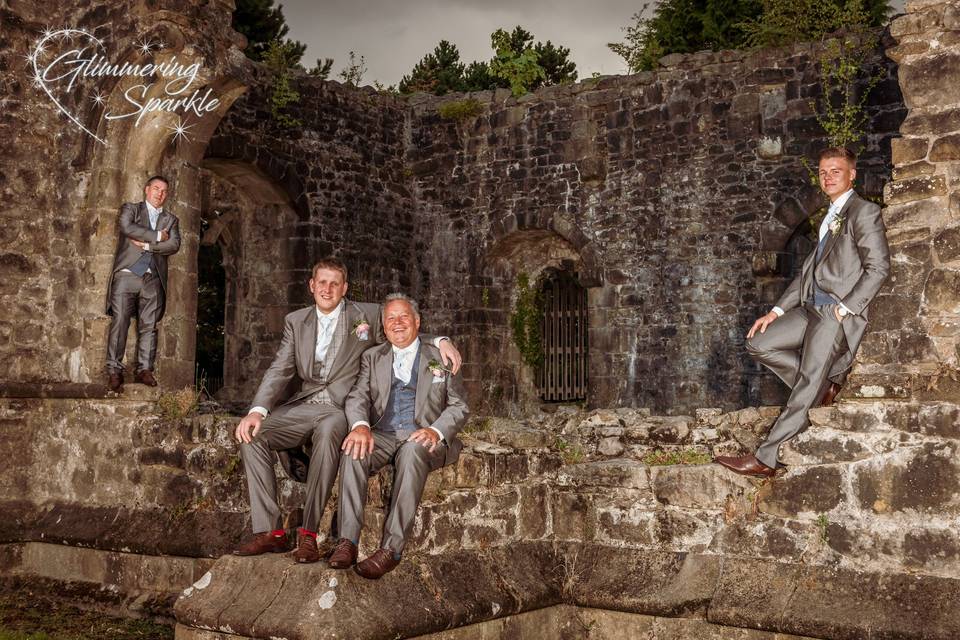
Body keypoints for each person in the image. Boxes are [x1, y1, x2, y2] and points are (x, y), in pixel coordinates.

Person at [233, 260, 462, 564]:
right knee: (253, 435)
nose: (327, 289)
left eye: (334, 284)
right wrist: (257, 410)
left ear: (344, 289)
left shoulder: (365, 315)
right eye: (322, 283)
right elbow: (279, 368)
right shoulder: (295, 321)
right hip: (305, 405)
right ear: (312, 286)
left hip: (341, 409)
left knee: (331, 433)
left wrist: (440, 340)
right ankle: (270, 531)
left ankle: (309, 535)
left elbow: (402, 329)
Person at [716, 147, 890, 478]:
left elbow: (878, 268)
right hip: (810, 307)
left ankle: (766, 458)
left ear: (851, 174)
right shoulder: (829, 216)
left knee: (809, 378)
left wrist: (844, 309)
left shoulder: (863, 212)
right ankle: (821, 387)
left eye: (835, 171)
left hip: (835, 312)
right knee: (760, 342)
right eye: (823, 172)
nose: (828, 177)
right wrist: (777, 310)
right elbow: (807, 273)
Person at [326, 293, 468, 579]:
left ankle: (391, 549)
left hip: (424, 436)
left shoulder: (439, 355)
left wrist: (436, 430)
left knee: (413, 451)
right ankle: (347, 541)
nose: (397, 323)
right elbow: (357, 397)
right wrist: (361, 426)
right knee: (354, 449)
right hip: (384, 433)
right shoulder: (372, 356)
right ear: (383, 324)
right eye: (390, 318)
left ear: (417, 321)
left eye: (404, 316)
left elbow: (460, 406)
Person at [105, 176, 181, 392]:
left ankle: (144, 369)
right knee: (120, 322)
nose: (160, 193)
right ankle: (114, 370)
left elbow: (173, 245)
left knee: (149, 326)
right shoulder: (131, 209)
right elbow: (127, 227)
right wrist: (158, 235)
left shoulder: (171, 219)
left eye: (164, 191)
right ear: (147, 190)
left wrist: (148, 247)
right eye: (156, 188)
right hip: (127, 275)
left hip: (152, 279)